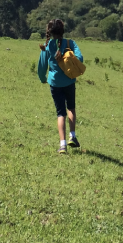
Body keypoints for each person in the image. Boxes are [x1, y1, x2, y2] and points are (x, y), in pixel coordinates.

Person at [37, 19, 84, 154]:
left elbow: (41, 67)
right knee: (71, 108)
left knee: (60, 113)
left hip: (55, 83)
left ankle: (62, 145)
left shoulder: (47, 46)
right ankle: (72, 136)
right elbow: (80, 59)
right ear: (63, 31)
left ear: (50, 32)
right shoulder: (70, 43)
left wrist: (43, 79)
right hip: (69, 81)